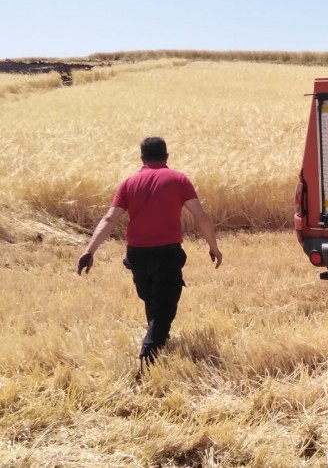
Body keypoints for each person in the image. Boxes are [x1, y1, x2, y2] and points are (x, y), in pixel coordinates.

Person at [77, 137, 222, 367]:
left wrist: (89, 250)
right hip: (166, 253)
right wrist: (213, 247)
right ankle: (149, 356)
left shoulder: (129, 183)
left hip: (137, 254)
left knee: (153, 301)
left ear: (142, 158)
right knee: (164, 305)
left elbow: (110, 218)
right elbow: (200, 216)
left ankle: (158, 339)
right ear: (167, 156)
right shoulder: (179, 179)